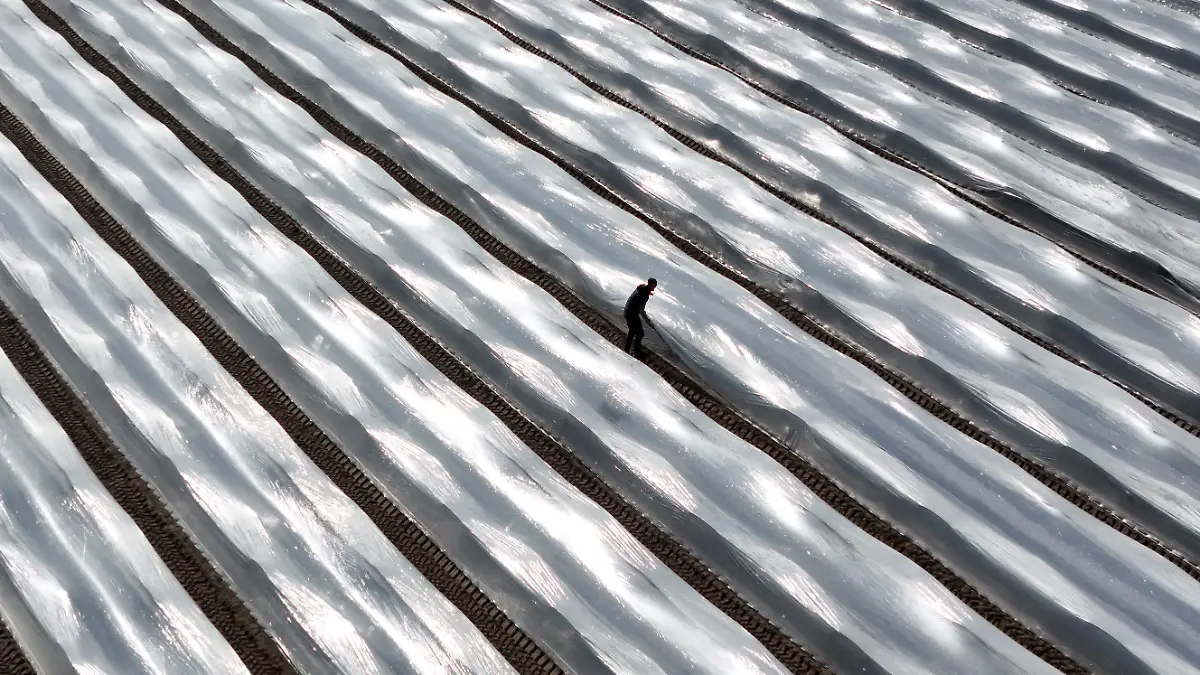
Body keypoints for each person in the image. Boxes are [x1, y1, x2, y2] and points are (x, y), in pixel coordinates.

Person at [623, 277, 657, 357]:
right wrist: (648, 322)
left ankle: (628, 350)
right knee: (639, 333)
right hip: (632, 313)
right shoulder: (644, 294)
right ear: (651, 285)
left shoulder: (641, 288)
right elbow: (641, 310)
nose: (654, 289)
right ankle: (636, 352)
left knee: (633, 331)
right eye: (654, 287)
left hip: (628, 311)